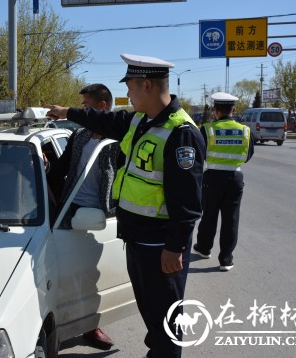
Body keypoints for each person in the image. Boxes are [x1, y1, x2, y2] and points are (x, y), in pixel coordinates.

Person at [45, 54, 206, 358]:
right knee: (152, 315)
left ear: (146, 85)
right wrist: (67, 111)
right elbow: (101, 120)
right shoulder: (139, 120)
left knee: (166, 321)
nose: (128, 94)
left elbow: (188, 202)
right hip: (138, 239)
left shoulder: (180, 133)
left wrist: (176, 247)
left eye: (130, 87)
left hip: (161, 246)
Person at [46, 83, 119, 350]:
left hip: (102, 215)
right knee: (65, 270)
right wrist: (45, 166)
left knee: (91, 275)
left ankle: (91, 326)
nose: (82, 112)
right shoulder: (80, 137)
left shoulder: (120, 141)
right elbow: (61, 168)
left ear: (102, 107)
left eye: (86, 107)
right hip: (70, 209)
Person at [193, 92, 255, 271]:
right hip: (235, 178)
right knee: (231, 219)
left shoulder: (207, 130)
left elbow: (199, 153)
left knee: (209, 215)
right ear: (233, 110)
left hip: (212, 177)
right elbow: (248, 154)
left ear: (216, 111)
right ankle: (226, 260)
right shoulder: (245, 131)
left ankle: (204, 249)